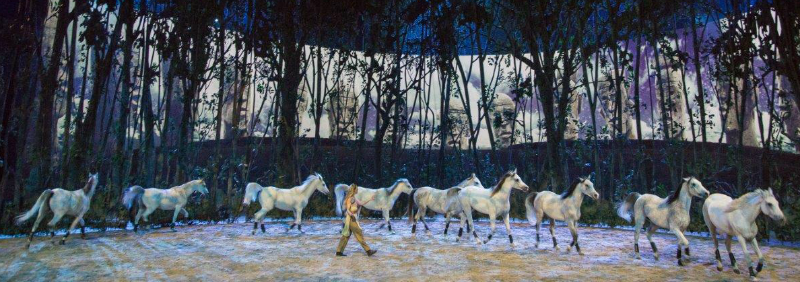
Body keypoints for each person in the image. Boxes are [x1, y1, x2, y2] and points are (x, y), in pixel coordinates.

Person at [336, 184, 377, 257]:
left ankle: (339, 251)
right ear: (354, 190)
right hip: (351, 219)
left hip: (351, 218)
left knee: (345, 236)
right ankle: (368, 251)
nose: (358, 190)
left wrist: (370, 199)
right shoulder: (350, 199)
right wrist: (351, 215)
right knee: (359, 233)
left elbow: (361, 203)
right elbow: (348, 209)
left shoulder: (354, 198)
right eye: (357, 189)